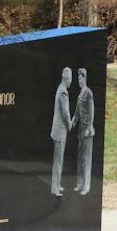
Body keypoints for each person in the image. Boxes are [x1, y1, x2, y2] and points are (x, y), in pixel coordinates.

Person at [71, 67, 95, 195]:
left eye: (80, 78)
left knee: (86, 159)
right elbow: (76, 113)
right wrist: (72, 123)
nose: (79, 81)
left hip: (87, 130)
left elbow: (91, 110)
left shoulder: (88, 93)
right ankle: (79, 184)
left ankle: (86, 186)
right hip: (80, 130)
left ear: (84, 78)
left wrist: (90, 126)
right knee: (80, 158)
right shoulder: (80, 95)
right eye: (78, 79)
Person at [50, 67, 73, 195]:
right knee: (58, 161)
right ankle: (55, 188)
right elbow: (65, 113)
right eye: (71, 79)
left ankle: (57, 185)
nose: (71, 82)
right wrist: (69, 125)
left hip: (57, 130)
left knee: (58, 160)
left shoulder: (60, 89)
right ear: (67, 78)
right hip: (59, 132)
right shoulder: (63, 92)